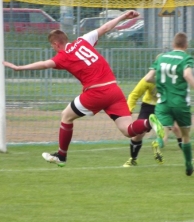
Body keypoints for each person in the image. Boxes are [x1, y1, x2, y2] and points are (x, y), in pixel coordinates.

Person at [3, 10, 165, 167]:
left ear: (56, 44)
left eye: (52, 46)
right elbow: (105, 28)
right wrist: (123, 16)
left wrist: (19, 68)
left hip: (96, 92)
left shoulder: (62, 56)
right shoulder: (83, 40)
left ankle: (61, 156)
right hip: (114, 90)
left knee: (66, 116)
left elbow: (45, 64)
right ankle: (148, 123)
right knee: (128, 130)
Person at [145, 32, 194, 176]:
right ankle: (188, 166)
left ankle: (158, 144)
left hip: (163, 102)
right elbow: (187, 75)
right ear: (186, 45)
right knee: (185, 136)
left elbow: (148, 78)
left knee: (164, 135)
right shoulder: (186, 58)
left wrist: (161, 82)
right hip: (180, 103)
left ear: (173, 44)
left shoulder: (161, 58)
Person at [123, 76, 183, 167]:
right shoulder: (148, 79)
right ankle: (133, 159)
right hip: (148, 106)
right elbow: (134, 95)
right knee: (139, 134)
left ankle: (189, 159)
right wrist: (128, 111)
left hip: (164, 106)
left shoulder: (170, 78)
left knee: (176, 129)